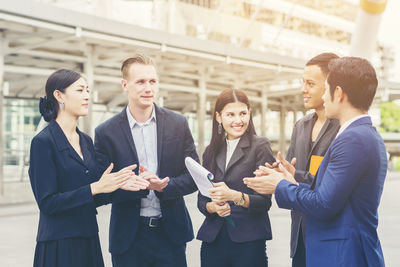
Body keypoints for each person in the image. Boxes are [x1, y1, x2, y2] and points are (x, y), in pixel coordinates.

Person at [244, 57, 387, 267]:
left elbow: (323, 204)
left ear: (338, 93)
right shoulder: (360, 135)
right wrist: (292, 178)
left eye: (326, 89)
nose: (324, 97)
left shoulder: (352, 139)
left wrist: (279, 186)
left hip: (342, 255)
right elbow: (332, 192)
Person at [29, 69, 149, 267]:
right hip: (59, 244)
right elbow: (48, 203)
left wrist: (124, 184)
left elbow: (96, 196)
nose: (87, 96)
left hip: (88, 239)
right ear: (59, 95)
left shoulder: (85, 140)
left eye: (87, 90)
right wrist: (96, 188)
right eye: (80, 90)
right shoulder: (43, 142)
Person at [94, 54, 199, 267]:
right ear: (125, 85)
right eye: (140, 82)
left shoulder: (177, 124)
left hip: (171, 235)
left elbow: (193, 177)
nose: (148, 88)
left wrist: (163, 186)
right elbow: (101, 191)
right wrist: (134, 185)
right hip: (129, 239)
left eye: (152, 81)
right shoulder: (106, 132)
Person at [266, 53, 340, 267]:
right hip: (299, 237)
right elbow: (293, 171)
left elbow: (324, 183)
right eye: (302, 83)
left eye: (310, 83)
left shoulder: (343, 130)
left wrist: (287, 178)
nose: (303, 90)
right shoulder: (301, 125)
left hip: (328, 238)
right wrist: (280, 171)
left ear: (330, 86)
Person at [197, 88, 275, 267]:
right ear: (218, 117)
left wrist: (233, 196)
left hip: (248, 242)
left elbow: (264, 202)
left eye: (243, 113)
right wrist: (213, 207)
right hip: (213, 241)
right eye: (230, 114)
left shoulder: (260, 146)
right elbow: (202, 200)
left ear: (250, 114)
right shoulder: (210, 151)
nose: (238, 120)